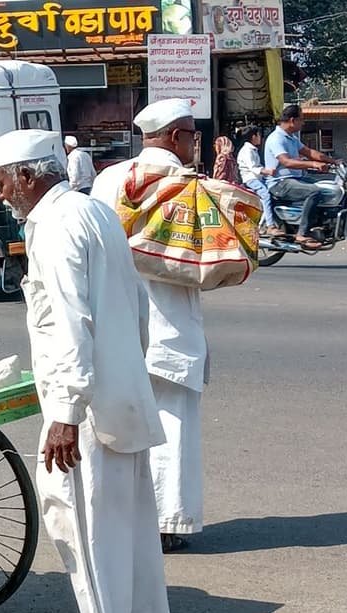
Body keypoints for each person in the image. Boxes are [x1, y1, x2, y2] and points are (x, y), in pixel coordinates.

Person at [0, 128, 171, 613]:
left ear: (29, 176)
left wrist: (63, 414)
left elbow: (69, 325)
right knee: (114, 533)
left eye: (2, 182)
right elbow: (135, 308)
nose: (0, 195)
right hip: (113, 396)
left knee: (84, 533)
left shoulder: (58, 228)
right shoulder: (91, 211)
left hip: (85, 412)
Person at [92, 98, 206, 554]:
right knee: (172, 423)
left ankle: (121, 517)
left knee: (123, 423)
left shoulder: (108, 180)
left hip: (119, 321)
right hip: (171, 325)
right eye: (192, 136)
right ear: (176, 137)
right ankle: (167, 520)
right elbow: (203, 258)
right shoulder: (188, 185)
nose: (194, 144)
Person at [264, 105, 335, 249]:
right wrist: (314, 165)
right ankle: (302, 233)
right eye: (301, 120)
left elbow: (309, 152)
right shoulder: (276, 138)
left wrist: (333, 161)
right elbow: (286, 161)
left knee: (328, 189)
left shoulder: (292, 137)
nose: (303, 123)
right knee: (314, 191)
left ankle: (321, 224)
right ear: (292, 120)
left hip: (295, 179)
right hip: (280, 183)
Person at [237, 126, 283, 236]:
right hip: (251, 179)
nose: (260, 138)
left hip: (258, 178)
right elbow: (253, 168)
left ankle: (266, 223)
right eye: (259, 135)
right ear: (254, 137)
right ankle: (270, 225)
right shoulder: (247, 151)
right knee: (266, 195)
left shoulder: (253, 150)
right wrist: (267, 171)